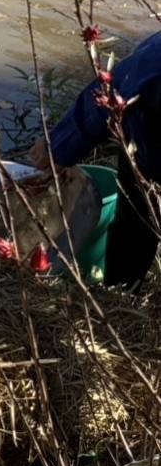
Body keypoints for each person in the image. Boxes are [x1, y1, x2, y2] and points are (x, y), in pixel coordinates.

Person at [29, 33, 161, 290]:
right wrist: (59, 146)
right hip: (148, 148)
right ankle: (122, 292)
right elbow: (114, 90)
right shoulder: (154, 66)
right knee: (135, 227)